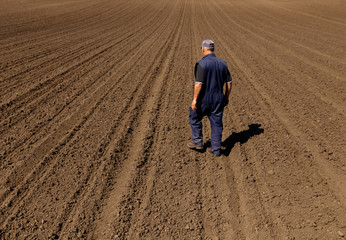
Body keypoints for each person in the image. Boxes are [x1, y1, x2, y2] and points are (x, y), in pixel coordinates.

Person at [188, 39, 232, 157]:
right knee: (217, 124)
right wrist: (226, 97)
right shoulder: (223, 64)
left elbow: (199, 84)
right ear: (213, 49)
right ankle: (216, 150)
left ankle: (197, 142)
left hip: (204, 99)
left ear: (203, 48)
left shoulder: (202, 64)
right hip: (218, 98)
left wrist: (195, 99)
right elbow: (229, 82)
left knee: (194, 117)